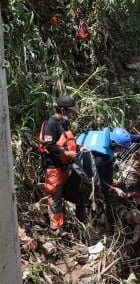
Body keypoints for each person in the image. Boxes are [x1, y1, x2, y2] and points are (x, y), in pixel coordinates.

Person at [39, 95, 81, 231]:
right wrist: (67, 154)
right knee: (55, 196)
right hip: (54, 167)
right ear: (62, 110)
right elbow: (49, 145)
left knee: (66, 193)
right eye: (70, 111)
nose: (72, 114)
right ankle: (56, 228)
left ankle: (65, 223)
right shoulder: (51, 124)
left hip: (65, 167)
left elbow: (69, 142)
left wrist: (79, 149)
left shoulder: (65, 123)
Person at [77, 127, 132, 197]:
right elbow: (96, 178)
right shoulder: (101, 157)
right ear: (114, 143)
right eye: (121, 148)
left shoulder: (106, 137)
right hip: (82, 166)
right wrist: (114, 189)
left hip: (82, 144)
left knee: (110, 160)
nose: (121, 151)